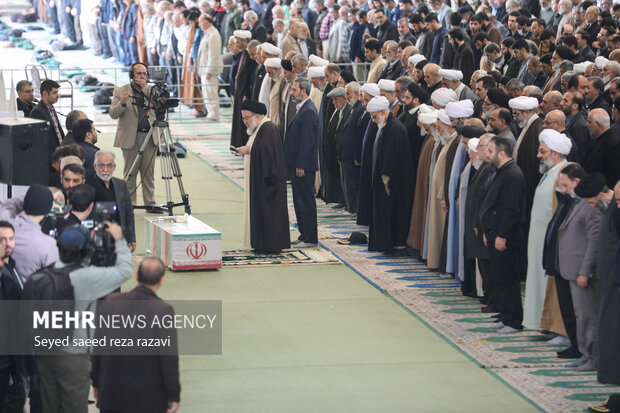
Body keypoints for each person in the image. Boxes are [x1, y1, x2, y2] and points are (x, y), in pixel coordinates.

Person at [29, 221, 132, 413]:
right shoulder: (89, 278)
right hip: (74, 357)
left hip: (44, 354)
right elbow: (125, 270)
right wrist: (118, 239)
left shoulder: (45, 273)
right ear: (86, 250)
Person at [91, 256, 180, 413]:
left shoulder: (110, 302)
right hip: (148, 399)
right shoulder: (162, 311)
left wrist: (96, 381)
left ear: (137, 275)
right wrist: (173, 394)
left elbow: (98, 345)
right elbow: (168, 358)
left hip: (111, 394)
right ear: (161, 280)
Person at [522, 130, 570, 331]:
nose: (538, 155)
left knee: (552, 287)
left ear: (556, 153)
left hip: (553, 244)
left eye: (542, 151)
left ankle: (556, 327)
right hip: (538, 242)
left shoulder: (565, 173)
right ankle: (542, 323)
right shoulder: (550, 172)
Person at [477, 136, 526, 334]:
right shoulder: (500, 172)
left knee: (508, 279)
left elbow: (511, 209)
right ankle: (506, 315)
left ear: (502, 153)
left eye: (490, 151)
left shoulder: (513, 175)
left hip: (506, 236)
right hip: (494, 232)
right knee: (500, 277)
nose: (487, 155)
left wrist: (502, 235)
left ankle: (514, 320)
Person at [556, 172, 604, 372]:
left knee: (588, 318)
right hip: (571, 270)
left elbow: (594, 244)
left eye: (566, 185)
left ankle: (593, 357)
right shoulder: (578, 203)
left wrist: (585, 272)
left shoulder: (591, 207)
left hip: (583, 273)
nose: (564, 190)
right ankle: (585, 354)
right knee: (580, 316)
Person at [235, 100, 290, 253]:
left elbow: (267, 156)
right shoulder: (260, 128)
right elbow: (260, 149)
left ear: (257, 115)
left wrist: (249, 150)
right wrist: (249, 149)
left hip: (267, 182)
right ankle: (261, 243)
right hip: (260, 181)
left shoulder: (268, 128)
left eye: (247, 118)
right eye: (243, 119)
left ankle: (270, 245)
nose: (245, 122)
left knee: (269, 213)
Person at [109, 62, 163, 213]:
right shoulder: (120, 91)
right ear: (132, 75)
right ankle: (129, 204)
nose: (142, 77)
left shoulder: (151, 90)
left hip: (149, 137)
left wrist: (147, 88)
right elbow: (113, 114)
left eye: (145, 74)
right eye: (139, 74)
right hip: (130, 137)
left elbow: (161, 106)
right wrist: (122, 103)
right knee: (130, 173)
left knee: (148, 172)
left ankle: (150, 203)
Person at [366, 96, 414, 255]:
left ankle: (394, 245)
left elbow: (391, 159)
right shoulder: (386, 126)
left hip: (393, 182)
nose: (373, 120)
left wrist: (386, 182)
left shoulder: (395, 128)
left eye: (374, 116)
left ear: (382, 112)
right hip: (386, 180)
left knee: (393, 213)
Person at [284, 79, 319, 248]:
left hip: (303, 167)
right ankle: (304, 234)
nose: (292, 92)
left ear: (303, 91)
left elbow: (308, 142)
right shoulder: (303, 109)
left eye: (294, 89)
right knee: (299, 202)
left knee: (306, 202)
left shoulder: (308, 111)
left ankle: (310, 238)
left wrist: (301, 165)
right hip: (297, 165)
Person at [0, 185, 58, 282]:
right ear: (47, 211)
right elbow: (54, 280)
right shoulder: (48, 244)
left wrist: (31, 198)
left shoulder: (4, 223)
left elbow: (9, 203)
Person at [86, 151, 136, 252]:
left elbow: (128, 213)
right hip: (96, 239)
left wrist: (131, 238)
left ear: (114, 167)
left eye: (109, 166)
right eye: (101, 166)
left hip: (118, 239)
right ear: (95, 166)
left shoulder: (121, 184)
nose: (105, 170)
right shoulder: (88, 187)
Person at [231, 30, 257, 147]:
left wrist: (245, 94)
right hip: (240, 94)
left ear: (245, 41)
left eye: (238, 42)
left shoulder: (250, 56)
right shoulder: (244, 54)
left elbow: (249, 78)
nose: (236, 45)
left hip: (245, 95)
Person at [583, 108, 620, 188]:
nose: (586, 124)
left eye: (589, 122)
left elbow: (612, 176)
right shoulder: (596, 139)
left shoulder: (614, 145)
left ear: (598, 125)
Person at [30, 79, 65, 163]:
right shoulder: (37, 112)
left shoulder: (51, 107)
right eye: (54, 93)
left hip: (58, 155)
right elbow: (40, 141)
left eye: (57, 92)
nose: (58, 95)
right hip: (49, 160)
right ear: (45, 93)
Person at [197, 13, 223, 121]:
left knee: (211, 91)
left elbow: (213, 55)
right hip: (204, 68)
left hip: (209, 70)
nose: (199, 24)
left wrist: (209, 70)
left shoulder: (214, 35)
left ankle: (214, 114)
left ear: (207, 23)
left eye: (200, 22)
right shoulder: (208, 33)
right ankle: (210, 113)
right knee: (206, 92)